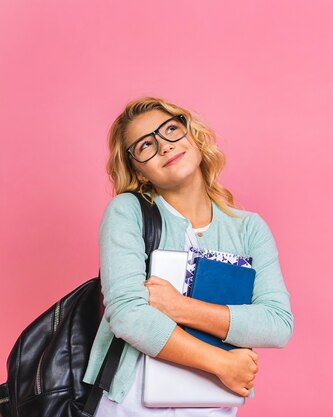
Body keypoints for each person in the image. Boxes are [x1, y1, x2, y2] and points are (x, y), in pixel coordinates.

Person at [83, 97, 294, 416]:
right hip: (128, 407)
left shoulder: (249, 229)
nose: (164, 146)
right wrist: (221, 362)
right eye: (145, 146)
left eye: (171, 130)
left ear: (192, 136)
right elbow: (127, 313)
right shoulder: (128, 212)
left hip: (211, 407)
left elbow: (276, 324)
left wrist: (181, 307)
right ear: (139, 172)